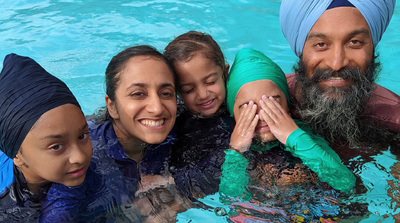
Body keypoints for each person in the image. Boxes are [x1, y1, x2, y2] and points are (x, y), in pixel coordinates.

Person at [41, 45, 190, 222]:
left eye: (166, 93)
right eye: (138, 94)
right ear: (112, 106)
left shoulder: (178, 129)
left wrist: (170, 202)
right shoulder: (86, 159)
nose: (157, 108)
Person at [219, 48, 357, 221]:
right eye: (248, 107)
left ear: (287, 105)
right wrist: (236, 151)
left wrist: (293, 136)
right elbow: (230, 198)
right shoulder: (229, 145)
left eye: (272, 103)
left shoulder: (303, 135)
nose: (262, 115)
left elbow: (345, 183)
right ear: (233, 114)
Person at [280, 0, 400, 158]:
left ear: (373, 46)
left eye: (354, 42)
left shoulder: (393, 120)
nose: (337, 63)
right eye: (321, 44)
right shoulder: (265, 100)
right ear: (300, 48)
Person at [0, 53, 92, 222]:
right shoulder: (5, 202)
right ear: (18, 156)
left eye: (82, 136)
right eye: (56, 146)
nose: (79, 157)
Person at [164, 31, 235, 198]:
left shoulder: (235, 117)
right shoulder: (177, 117)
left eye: (210, 82)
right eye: (189, 90)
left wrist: (169, 180)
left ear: (224, 73)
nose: (203, 94)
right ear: (177, 93)